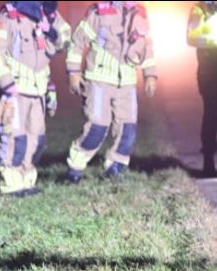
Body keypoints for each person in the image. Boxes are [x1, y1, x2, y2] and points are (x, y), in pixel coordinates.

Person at [65, 1, 158, 182]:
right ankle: (76, 165)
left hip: (127, 81)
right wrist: (73, 73)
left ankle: (115, 167)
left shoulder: (141, 14)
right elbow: (77, 42)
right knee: (98, 126)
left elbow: (147, 48)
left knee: (128, 128)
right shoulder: (98, 11)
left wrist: (150, 75)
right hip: (98, 78)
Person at [0, 1, 71, 196]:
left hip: (38, 89)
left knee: (37, 139)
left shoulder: (48, 13)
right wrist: (7, 84)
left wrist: (51, 30)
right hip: (14, 91)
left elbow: (66, 39)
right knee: (16, 138)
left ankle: (27, 181)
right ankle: (12, 184)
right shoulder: (8, 16)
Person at [188, 1, 217, 177]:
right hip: (209, 69)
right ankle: (208, 162)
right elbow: (191, 37)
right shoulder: (199, 10)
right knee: (211, 114)